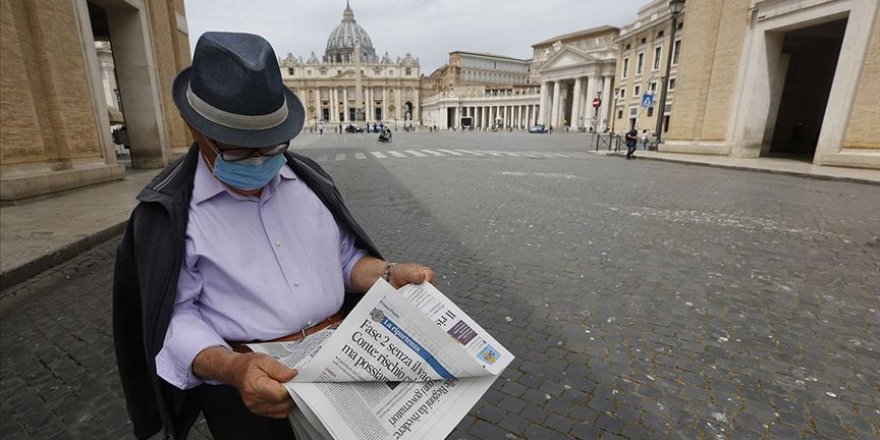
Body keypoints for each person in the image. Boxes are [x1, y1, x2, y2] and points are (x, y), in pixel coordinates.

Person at [113, 32, 434, 440]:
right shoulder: (164, 213)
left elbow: (346, 261)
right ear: (194, 129)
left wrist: (389, 273)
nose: (262, 163)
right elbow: (173, 317)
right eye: (240, 151)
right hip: (247, 387)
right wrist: (234, 368)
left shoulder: (310, 180)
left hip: (342, 366)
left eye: (272, 146)